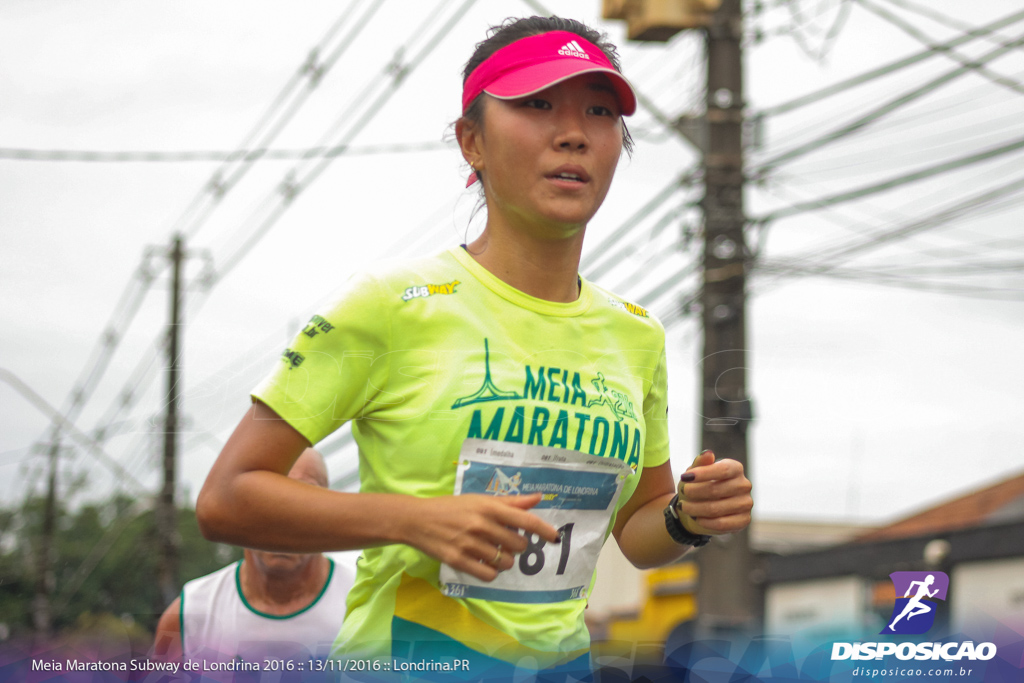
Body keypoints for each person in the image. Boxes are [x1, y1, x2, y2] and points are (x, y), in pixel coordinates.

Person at [196, 15, 752, 679]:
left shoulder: (635, 333)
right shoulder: (390, 304)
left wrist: (688, 517)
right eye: (536, 104)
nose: (572, 132)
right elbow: (227, 499)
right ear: (472, 142)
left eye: (599, 112)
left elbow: (635, 534)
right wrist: (413, 520)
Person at [154, 448, 353, 661]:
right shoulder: (190, 615)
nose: (283, 514)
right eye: (265, 496)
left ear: (327, 509)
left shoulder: (367, 602)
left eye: (303, 496)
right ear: (239, 508)